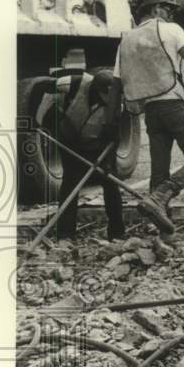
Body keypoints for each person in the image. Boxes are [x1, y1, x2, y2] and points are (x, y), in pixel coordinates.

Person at [107, 0, 184, 228]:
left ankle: (161, 229)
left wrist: (110, 123)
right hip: (175, 106)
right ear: (156, 8)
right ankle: (160, 197)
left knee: (159, 171)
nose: (170, 14)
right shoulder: (171, 30)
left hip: (151, 112)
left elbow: (116, 85)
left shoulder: (127, 40)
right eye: (167, 9)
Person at [41, 68, 126, 241]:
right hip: (69, 141)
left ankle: (117, 232)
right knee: (70, 184)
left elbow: (115, 137)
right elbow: (40, 89)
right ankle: (65, 233)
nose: (107, 99)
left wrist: (108, 161)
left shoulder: (117, 104)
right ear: (95, 89)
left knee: (110, 183)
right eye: (103, 94)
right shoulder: (73, 84)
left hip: (97, 145)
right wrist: (39, 121)